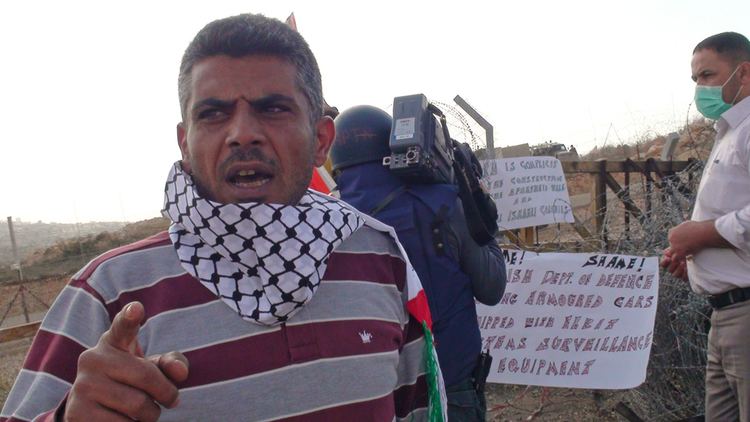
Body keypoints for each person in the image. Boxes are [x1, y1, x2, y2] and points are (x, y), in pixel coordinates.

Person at [1, 14, 445, 422]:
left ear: (320, 140)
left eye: (272, 108)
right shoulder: (110, 292)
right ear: (184, 145)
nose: (242, 133)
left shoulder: (377, 255)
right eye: (213, 114)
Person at [330, 105, 507, 421]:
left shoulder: (327, 220)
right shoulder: (441, 203)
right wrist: (479, 211)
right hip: (450, 393)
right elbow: (491, 286)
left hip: (370, 398)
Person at [661, 31, 750, 421]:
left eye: (708, 75)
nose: (700, 88)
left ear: (744, 73)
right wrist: (697, 258)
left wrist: (702, 234)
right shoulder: (729, 134)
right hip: (724, 317)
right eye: (695, 79)